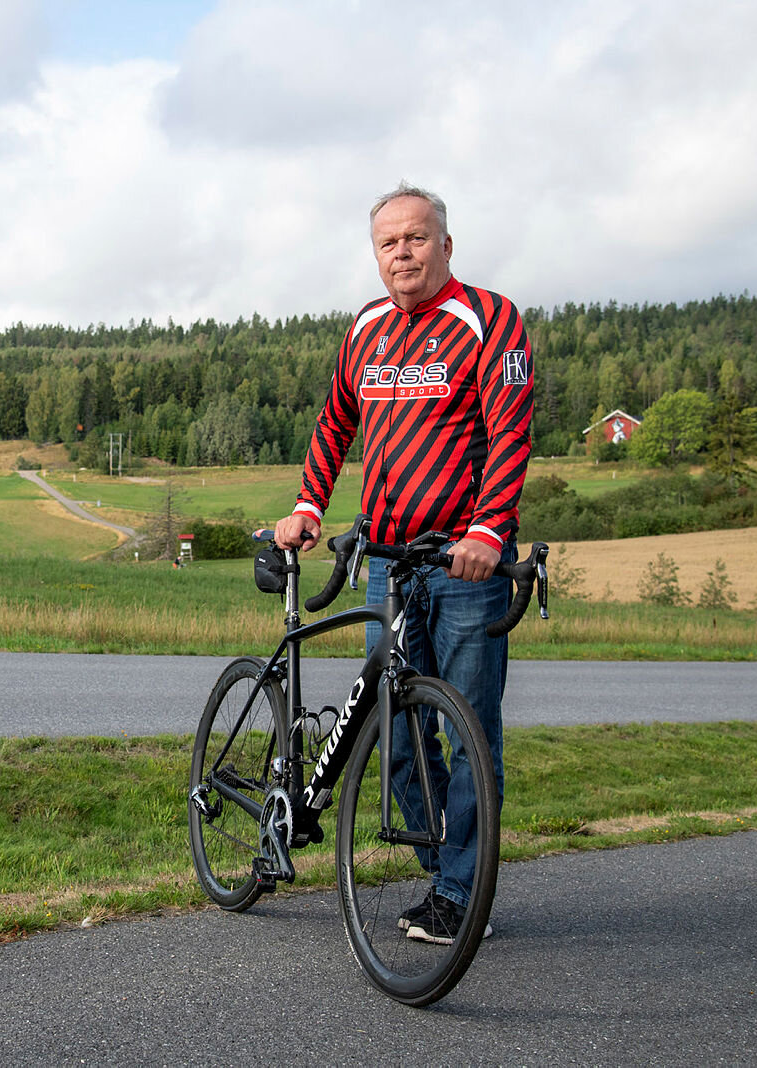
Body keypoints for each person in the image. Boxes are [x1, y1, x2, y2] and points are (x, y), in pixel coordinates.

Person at [273, 182, 532, 944]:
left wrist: (489, 530)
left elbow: (511, 434)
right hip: (385, 561)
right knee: (396, 730)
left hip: (463, 564)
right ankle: (445, 871)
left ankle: (459, 893)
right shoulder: (368, 329)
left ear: (446, 245)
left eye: (417, 238)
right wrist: (309, 507)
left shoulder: (490, 320)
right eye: (389, 243)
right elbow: (335, 422)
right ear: (376, 255)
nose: (403, 253)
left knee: (469, 732)